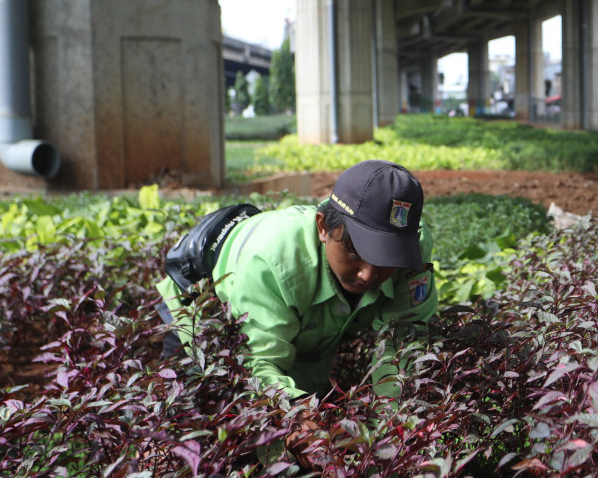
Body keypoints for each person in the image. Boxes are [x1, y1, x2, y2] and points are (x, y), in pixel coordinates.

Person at [156, 160, 438, 399]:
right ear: (323, 227)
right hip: (203, 296)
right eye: (355, 252)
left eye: (386, 259)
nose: (369, 274)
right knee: (193, 404)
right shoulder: (274, 261)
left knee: (310, 393)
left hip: (302, 325)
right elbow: (259, 367)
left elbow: (402, 347)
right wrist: (304, 425)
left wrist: (388, 434)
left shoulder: (411, 252)